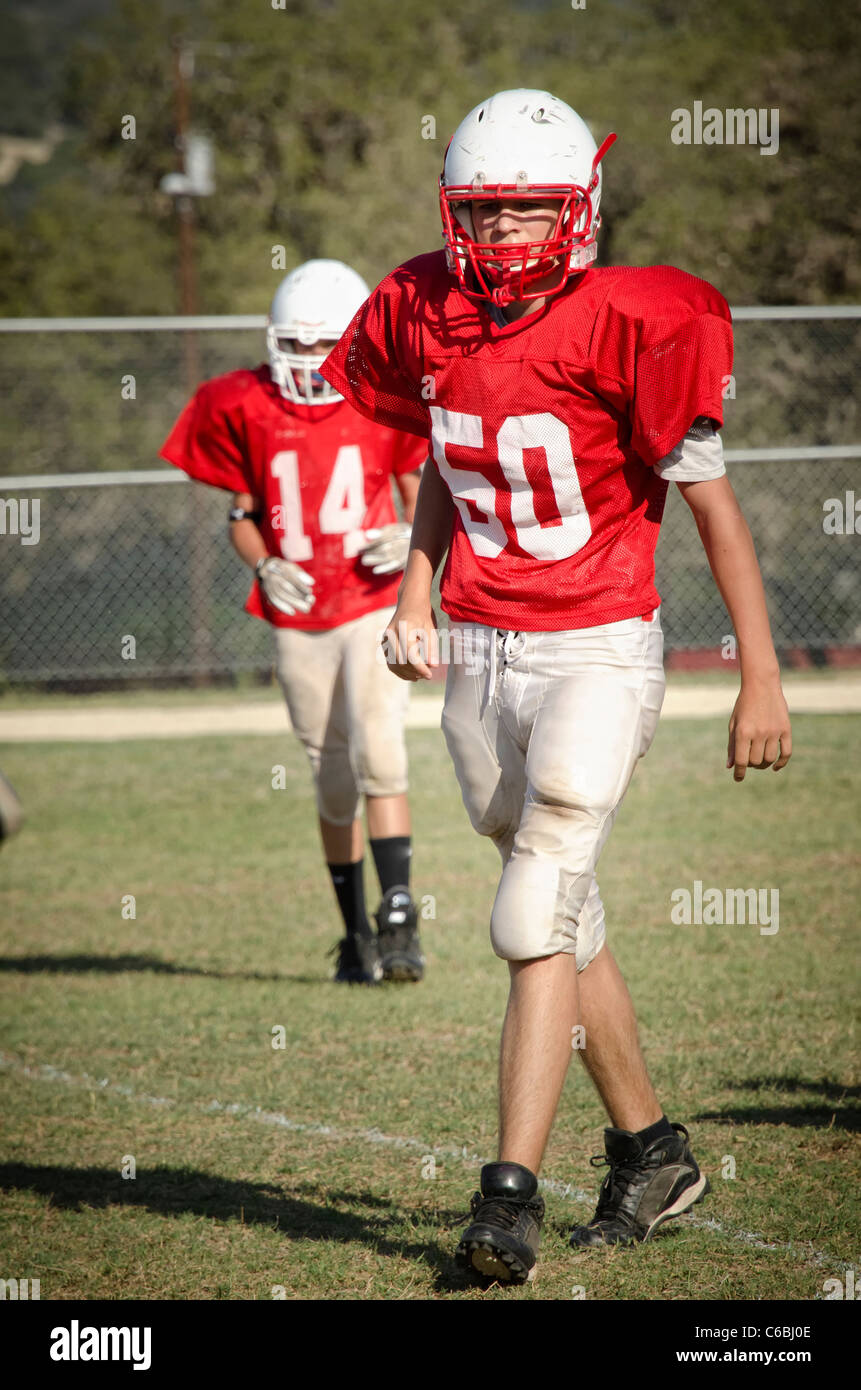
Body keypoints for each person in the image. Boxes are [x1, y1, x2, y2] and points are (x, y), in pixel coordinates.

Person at [321, 91, 792, 1280]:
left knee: (532, 914)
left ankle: (506, 1201)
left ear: (581, 208)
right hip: (479, 654)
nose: (508, 236)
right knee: (562, 913)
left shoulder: (636, 320)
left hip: (595, 645)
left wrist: (760, 677)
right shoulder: (424, 307)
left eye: (532, 210)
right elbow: (443, 454)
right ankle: (653, 1152)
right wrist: (416, 590)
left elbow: (715, 512)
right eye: (487, 212)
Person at [161, 259, 428, 985]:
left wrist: (409, 539)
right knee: (330, 774)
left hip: (370, 600)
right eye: (298, 345)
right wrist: (260, 563)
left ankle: (399, 912)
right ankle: (353, 935)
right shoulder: (240, 402)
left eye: (324, 345)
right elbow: (242, 516)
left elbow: (419, 495)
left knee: (380, 748)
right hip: (299, 609)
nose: (310, 361)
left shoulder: (382, 397)